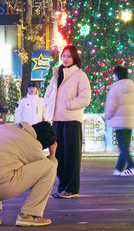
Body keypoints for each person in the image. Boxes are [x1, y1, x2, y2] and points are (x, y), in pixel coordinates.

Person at [0, 121, 58, 227]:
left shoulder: (1, 128)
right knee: (49, 166)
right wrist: (52, 153)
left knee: (0, 163)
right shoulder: (33, 144)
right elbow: (48, 167)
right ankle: (30, 215)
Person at [43, 45, 91, 199]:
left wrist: (69, 105)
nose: (65, 58)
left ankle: (72, 189)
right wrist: (48, 106)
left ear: (75, 58)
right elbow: (49, 93)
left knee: (71, 156)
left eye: (69, 56)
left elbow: (85, 98)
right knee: (59, 155)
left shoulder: (80, 75)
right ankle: (63, 187)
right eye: (63, 55)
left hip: (71, 120)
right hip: (56, 119)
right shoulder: (56, 74)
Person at [105, 65, 134, 177]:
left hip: (118, 121)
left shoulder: (115, 88)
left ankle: (132, 166)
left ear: (116, 75)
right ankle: (118, 169)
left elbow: (111, 105)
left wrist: (107, 116)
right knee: (124, 146)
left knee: (122, 146)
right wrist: (133, 114)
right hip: (130, 121)